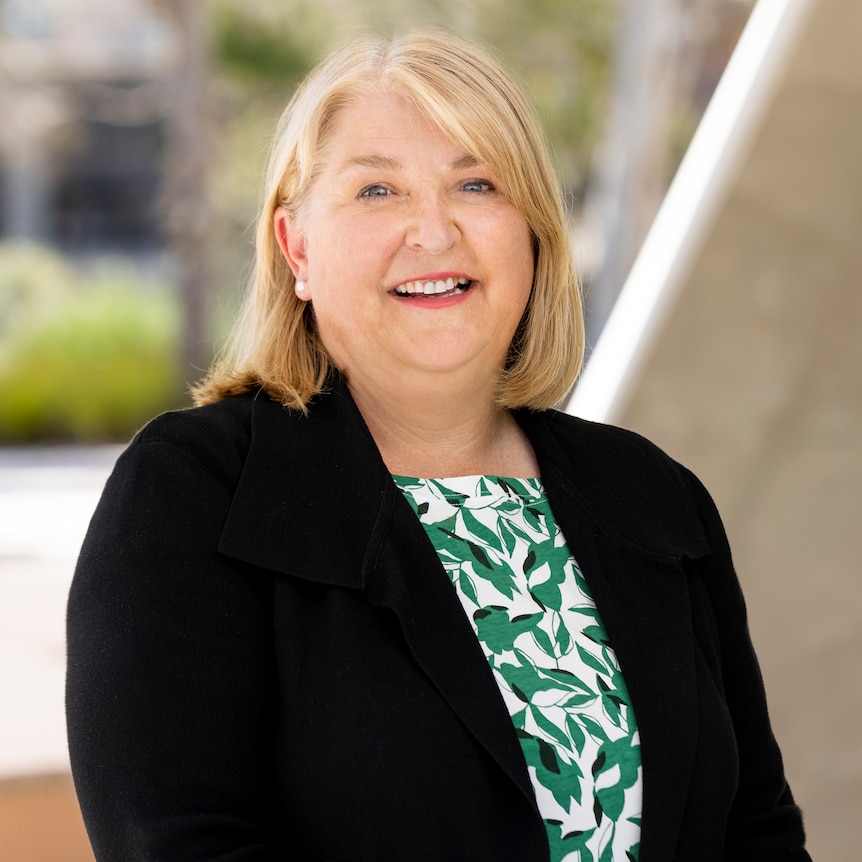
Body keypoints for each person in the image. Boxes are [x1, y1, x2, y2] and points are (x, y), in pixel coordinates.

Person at [66, 28, 811, 862]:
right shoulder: (194, 492)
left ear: (532, 232)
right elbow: (173, 843)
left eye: (477, 184)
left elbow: (758, 833)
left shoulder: (654, 495)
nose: (433, 231)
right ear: (295, 247)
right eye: (377, 190)